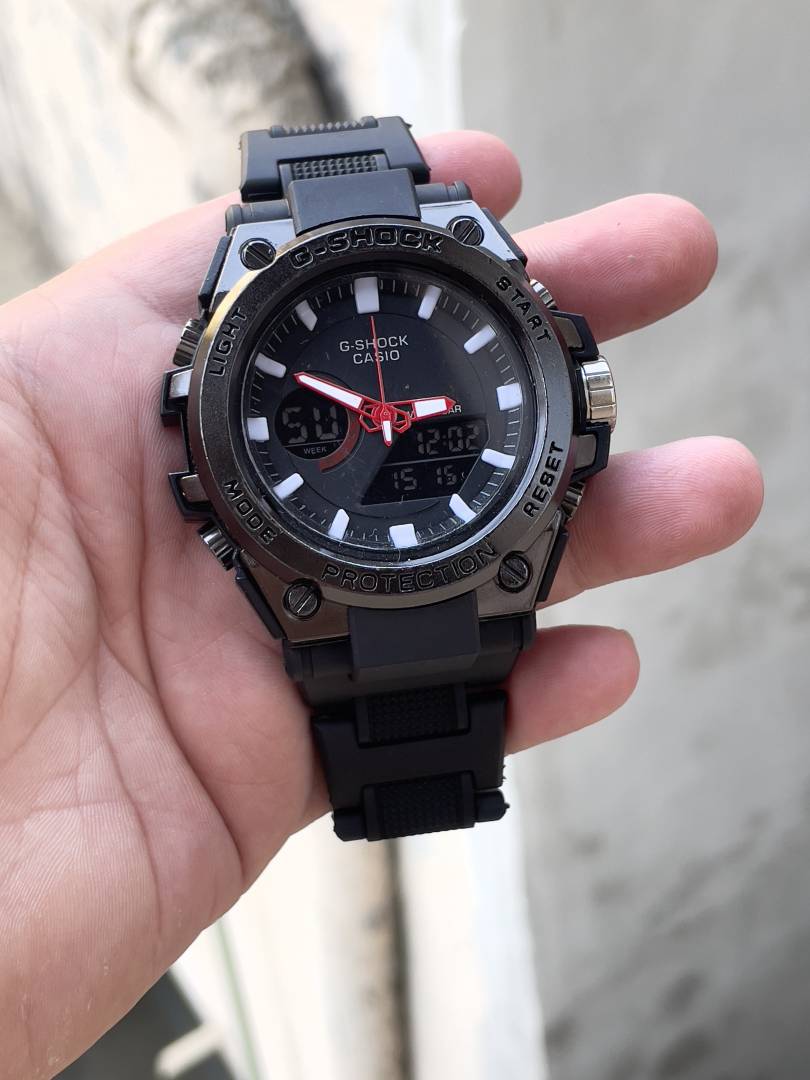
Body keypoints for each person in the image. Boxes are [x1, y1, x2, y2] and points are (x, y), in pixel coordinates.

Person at [0, 129, 762, 1078]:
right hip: (360, 576)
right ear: (200, 455)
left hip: (445, 560)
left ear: (583, 399)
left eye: (399, 415)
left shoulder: (534, 397)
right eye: (363, 420)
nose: (385, 420)